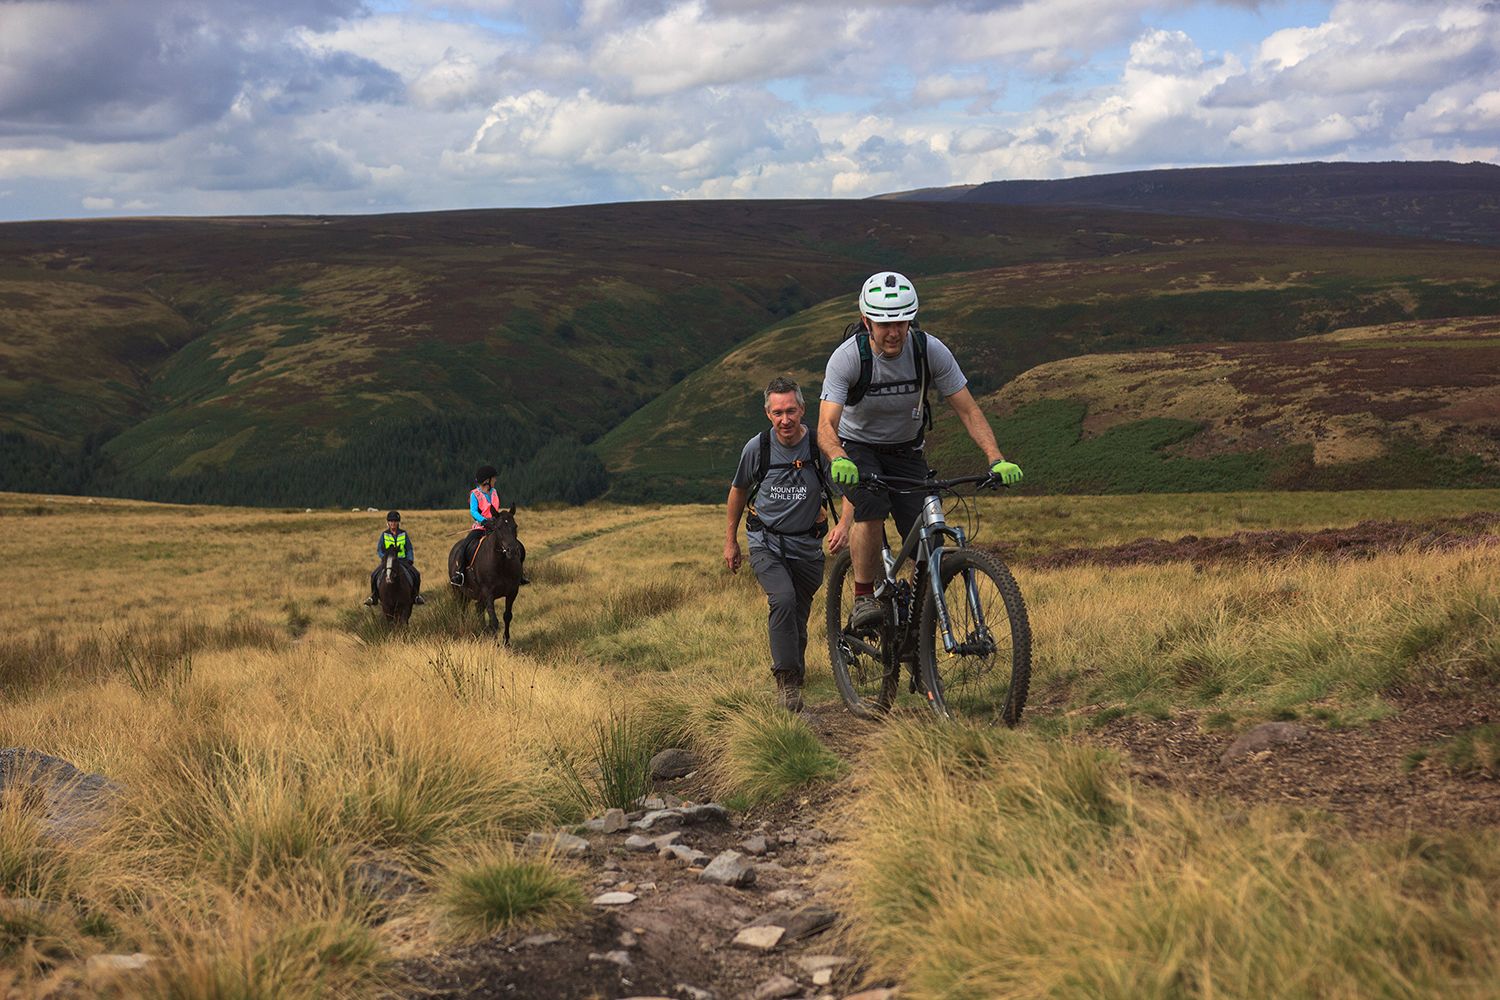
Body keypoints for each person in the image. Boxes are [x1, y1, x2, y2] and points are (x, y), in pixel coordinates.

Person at [818, 271, 1023, 629]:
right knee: (870, 508)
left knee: (928, 541)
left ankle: (916, 628)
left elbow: (968, 410)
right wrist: (838, 457)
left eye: (901, 321)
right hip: (857, 448)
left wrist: (996, 458)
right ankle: (864, 597)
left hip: (906, 450)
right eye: (883, 323)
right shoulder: (848, 358)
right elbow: (825, 426)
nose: (893, 331)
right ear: (867, 321)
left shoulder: (929, 350)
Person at [724, 376, 847, 711]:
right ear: (768, 414)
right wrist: (731, 541)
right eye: (777, 412)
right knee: (783, 600)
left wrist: (845, 524)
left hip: (808, 549)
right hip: (766, 542)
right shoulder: (758, 448)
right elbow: (738, 490)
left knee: (798, 617)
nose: (785, 419)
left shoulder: (818, 448)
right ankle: (787, 684)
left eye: (791, 410)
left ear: (803, 410)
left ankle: (795, 678)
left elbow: (849, 489)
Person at [451, 465, 529, 587]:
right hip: (480, 528)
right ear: (487, 481)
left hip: (495, 527)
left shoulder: (494, 492)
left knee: (518, 546)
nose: (495, 480)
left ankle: (519, 574)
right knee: (464, 547)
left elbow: (495, 509)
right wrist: (484, 521)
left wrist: (499, 520)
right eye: (494, 478)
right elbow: (473, 511)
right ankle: (459, 574)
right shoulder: (474, 495)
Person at [364, 510, 425, 606]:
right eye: (391, 521)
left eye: (395, 521)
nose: (393, 523)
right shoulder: (384, 535)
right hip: (388, 561)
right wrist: (384, 558)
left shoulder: (403, 534)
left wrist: (410, 559)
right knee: (374, 575)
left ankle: (416, 596)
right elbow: (379, 549)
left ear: (398, 523)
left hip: (402, 561)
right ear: (388, 523)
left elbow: (409, 548)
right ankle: (374, 596)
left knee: (416, 574)